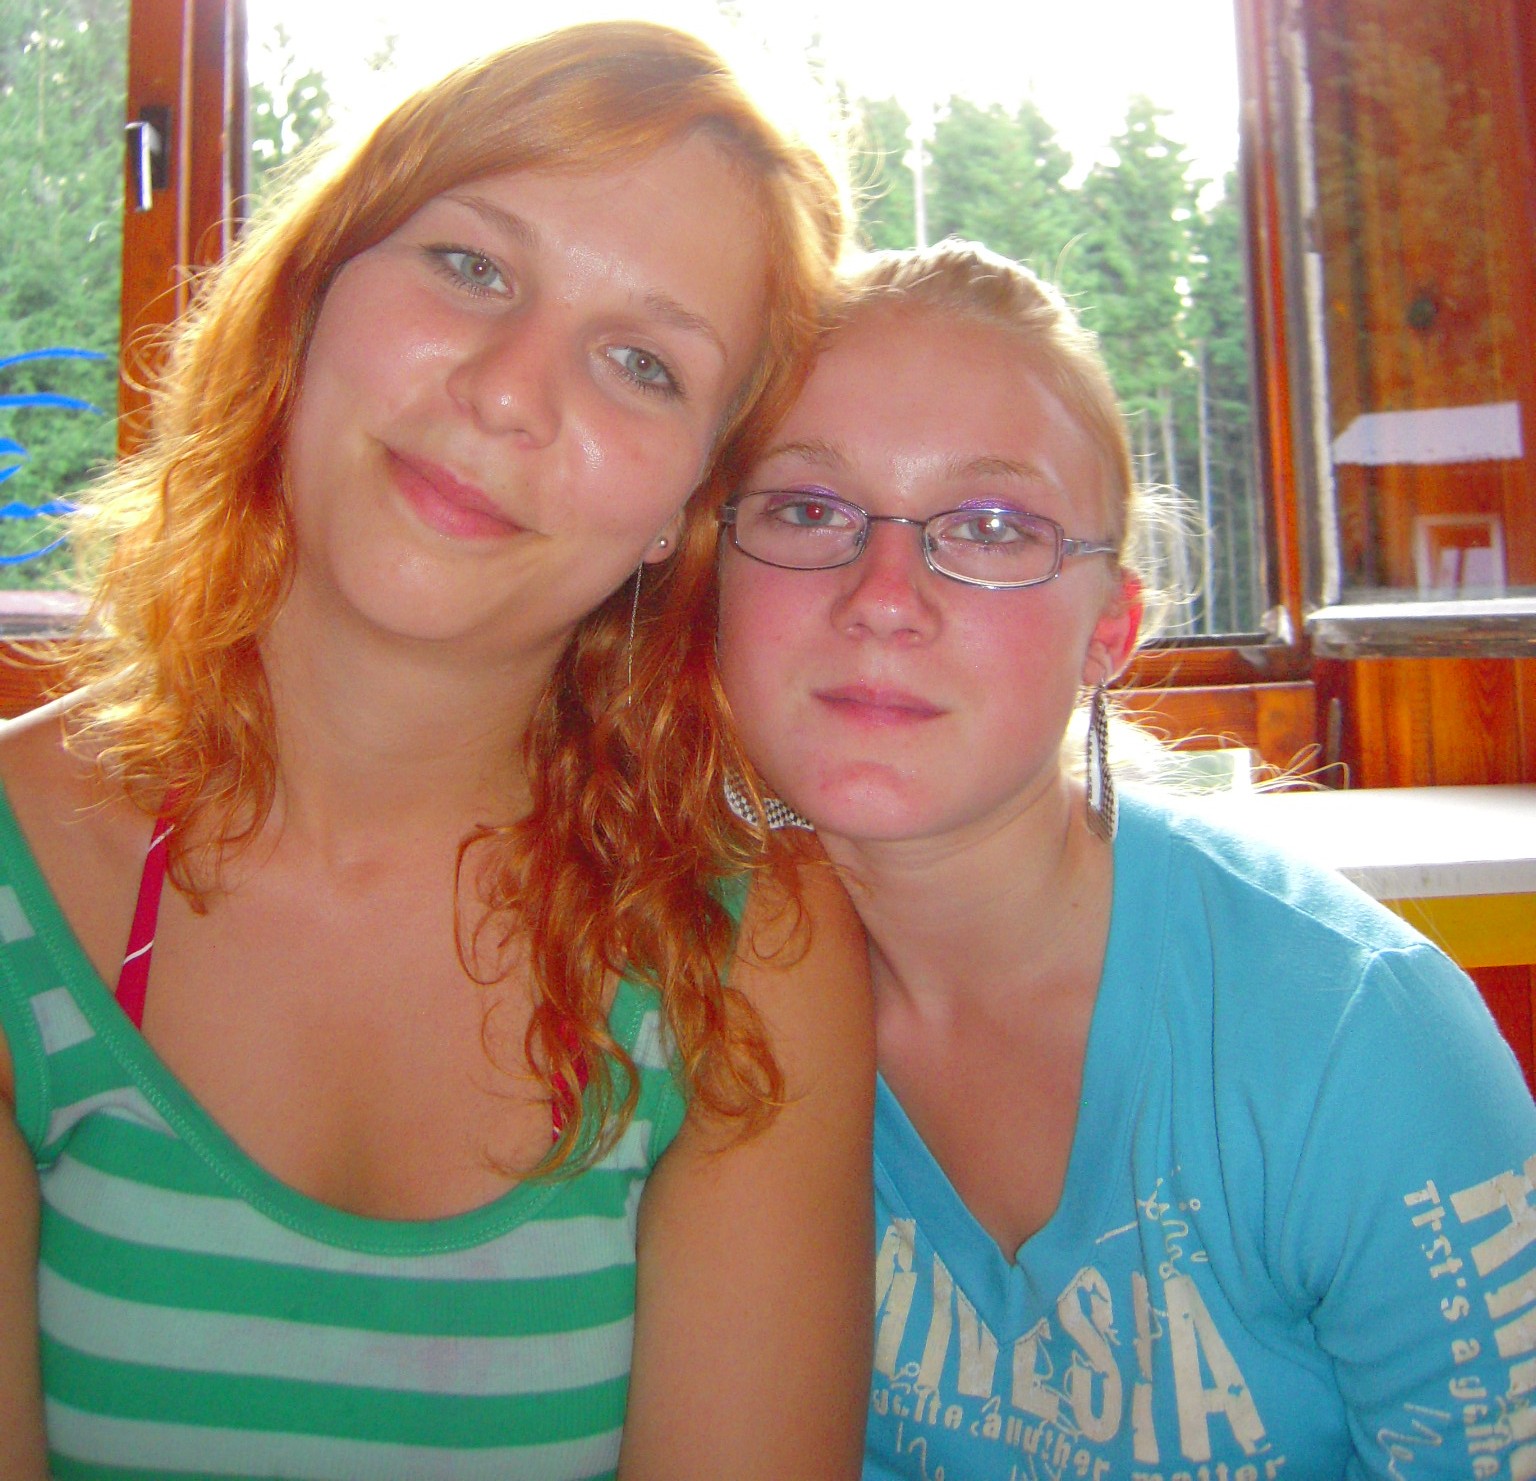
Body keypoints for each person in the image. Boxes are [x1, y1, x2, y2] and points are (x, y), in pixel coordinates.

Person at [0, 22, 876, 1480]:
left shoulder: (748, 953)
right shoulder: (18, 871)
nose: (510, 392)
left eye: (642, 363)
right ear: (311, 295)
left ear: (683, 510)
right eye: (471, 266)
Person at [715, 239, 1536, 1479]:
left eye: (993, 527)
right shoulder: (680, 1000)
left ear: (1110, 632)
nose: (883, 595)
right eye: (808, 507)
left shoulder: (1354, 1041)